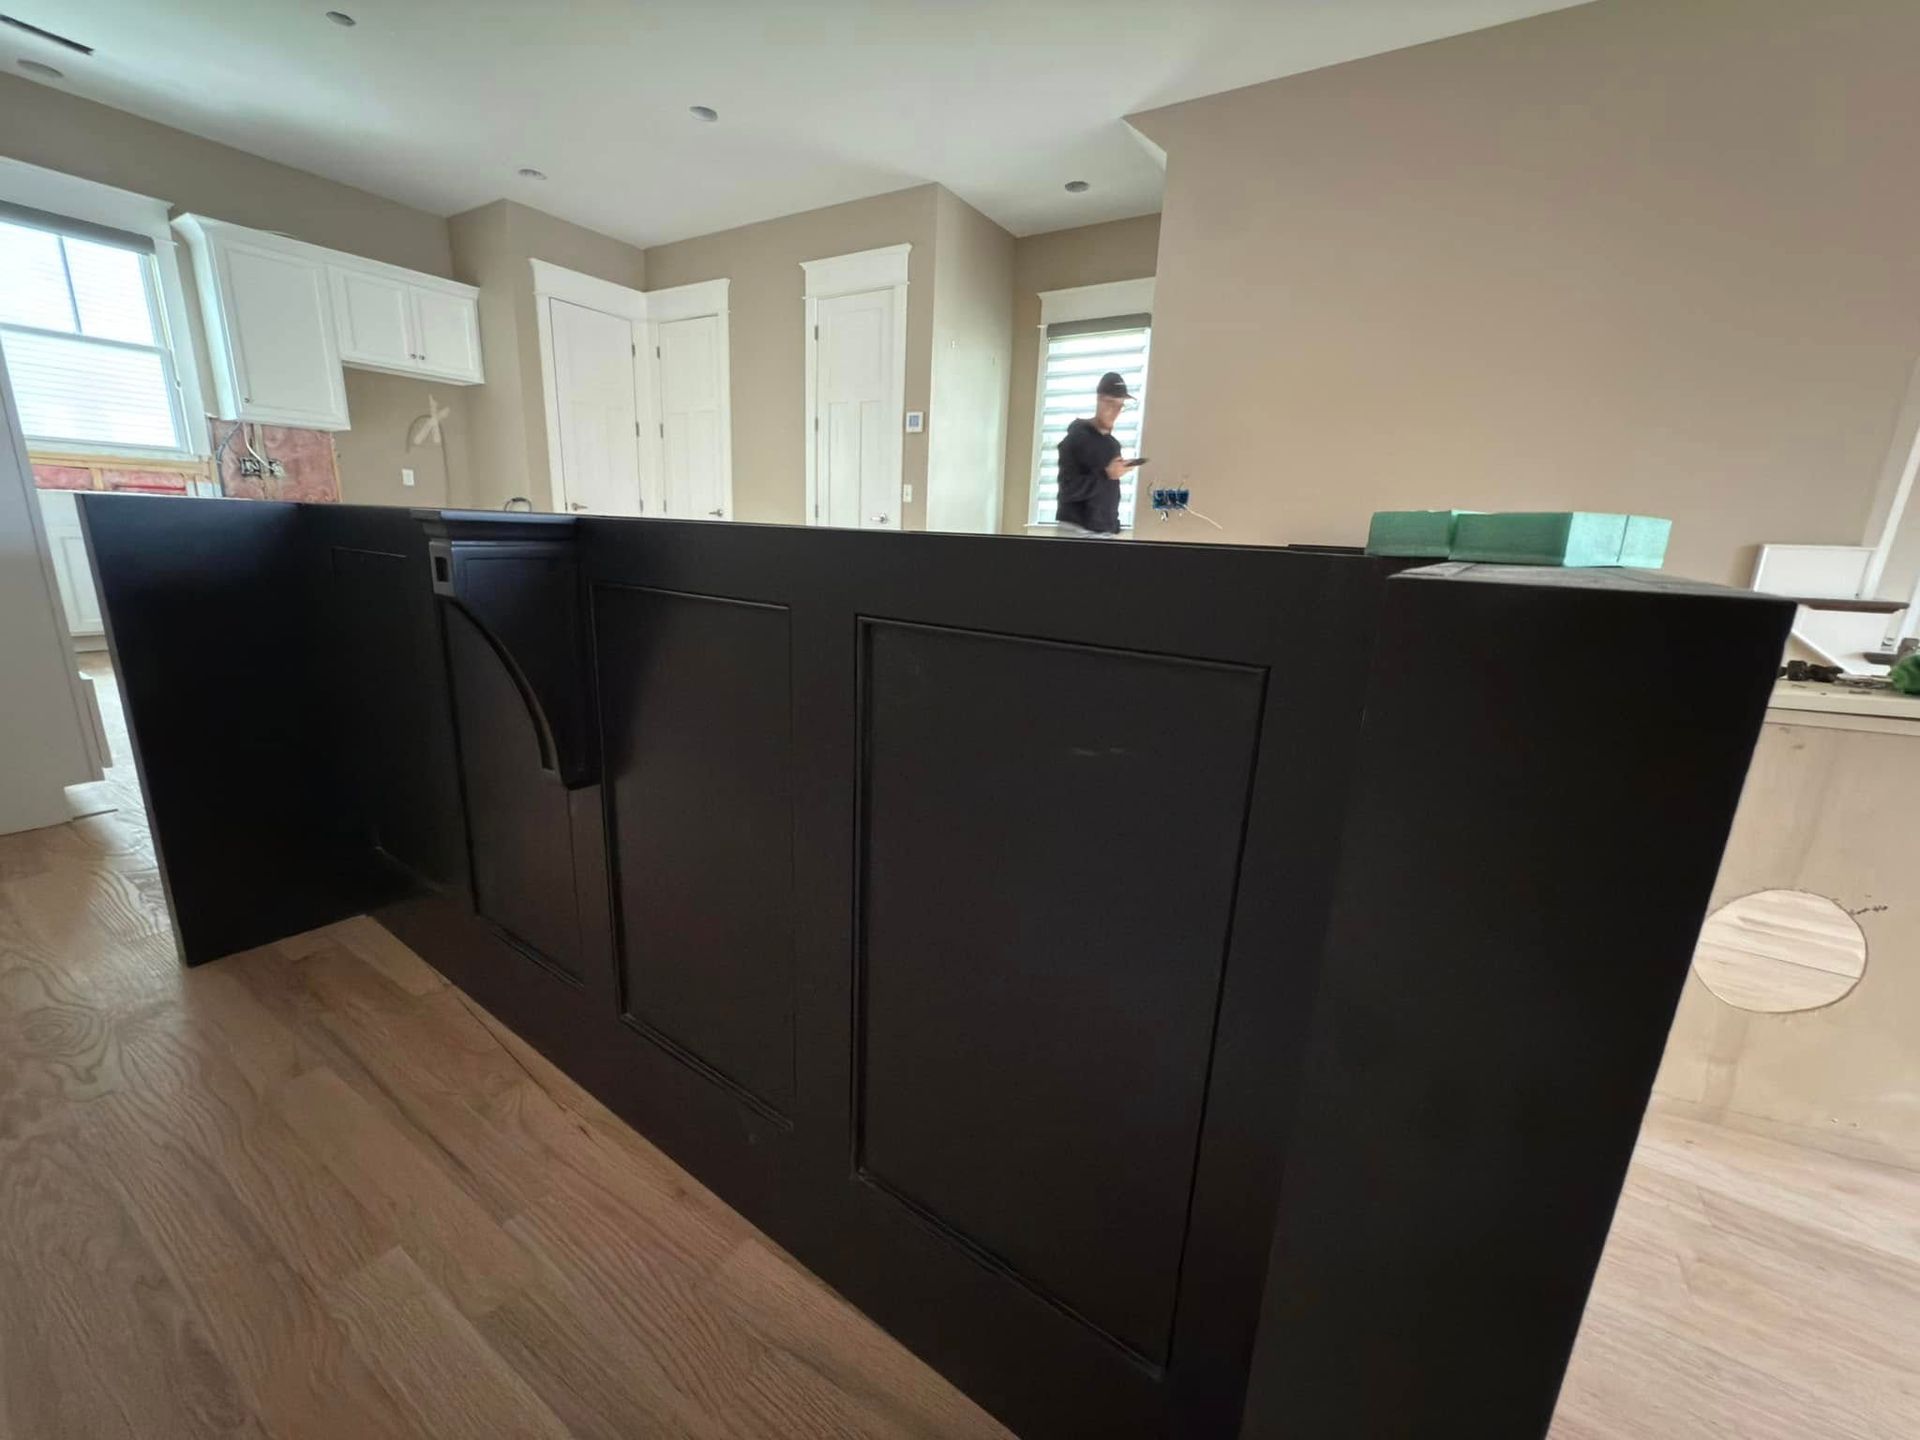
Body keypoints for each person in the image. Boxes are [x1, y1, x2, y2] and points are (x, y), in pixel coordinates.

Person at [1053, 371, 1142, 536]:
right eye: (1110, 403)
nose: (1115, 411)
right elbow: (1068, 489)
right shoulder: (1075, 439)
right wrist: (1106, 474)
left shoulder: (1112, 445)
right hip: (1076, 532)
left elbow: (1110, 492)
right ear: (1099, 399)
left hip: (1105, 534)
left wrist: (1114, 527)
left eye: (1120, 406)